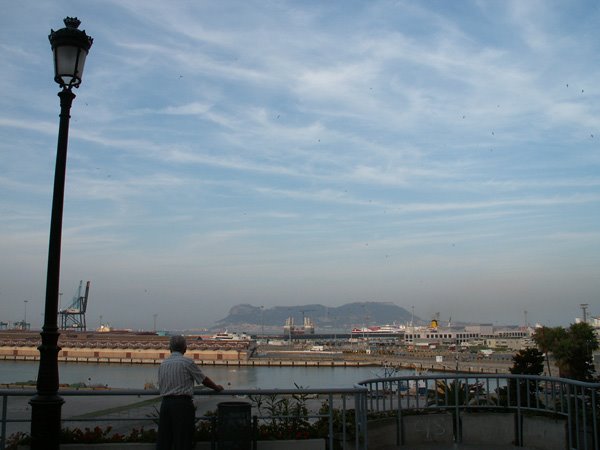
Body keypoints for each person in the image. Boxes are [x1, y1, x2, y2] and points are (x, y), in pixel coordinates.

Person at [156, 335, 224, 450]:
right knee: (183, 439)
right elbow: (203, 380)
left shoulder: (163, 364)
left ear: (170, 349)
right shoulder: (187, 362)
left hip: (165, 404)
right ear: (185, 348)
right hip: (182, 405)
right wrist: (216, 387)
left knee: (164, 439)